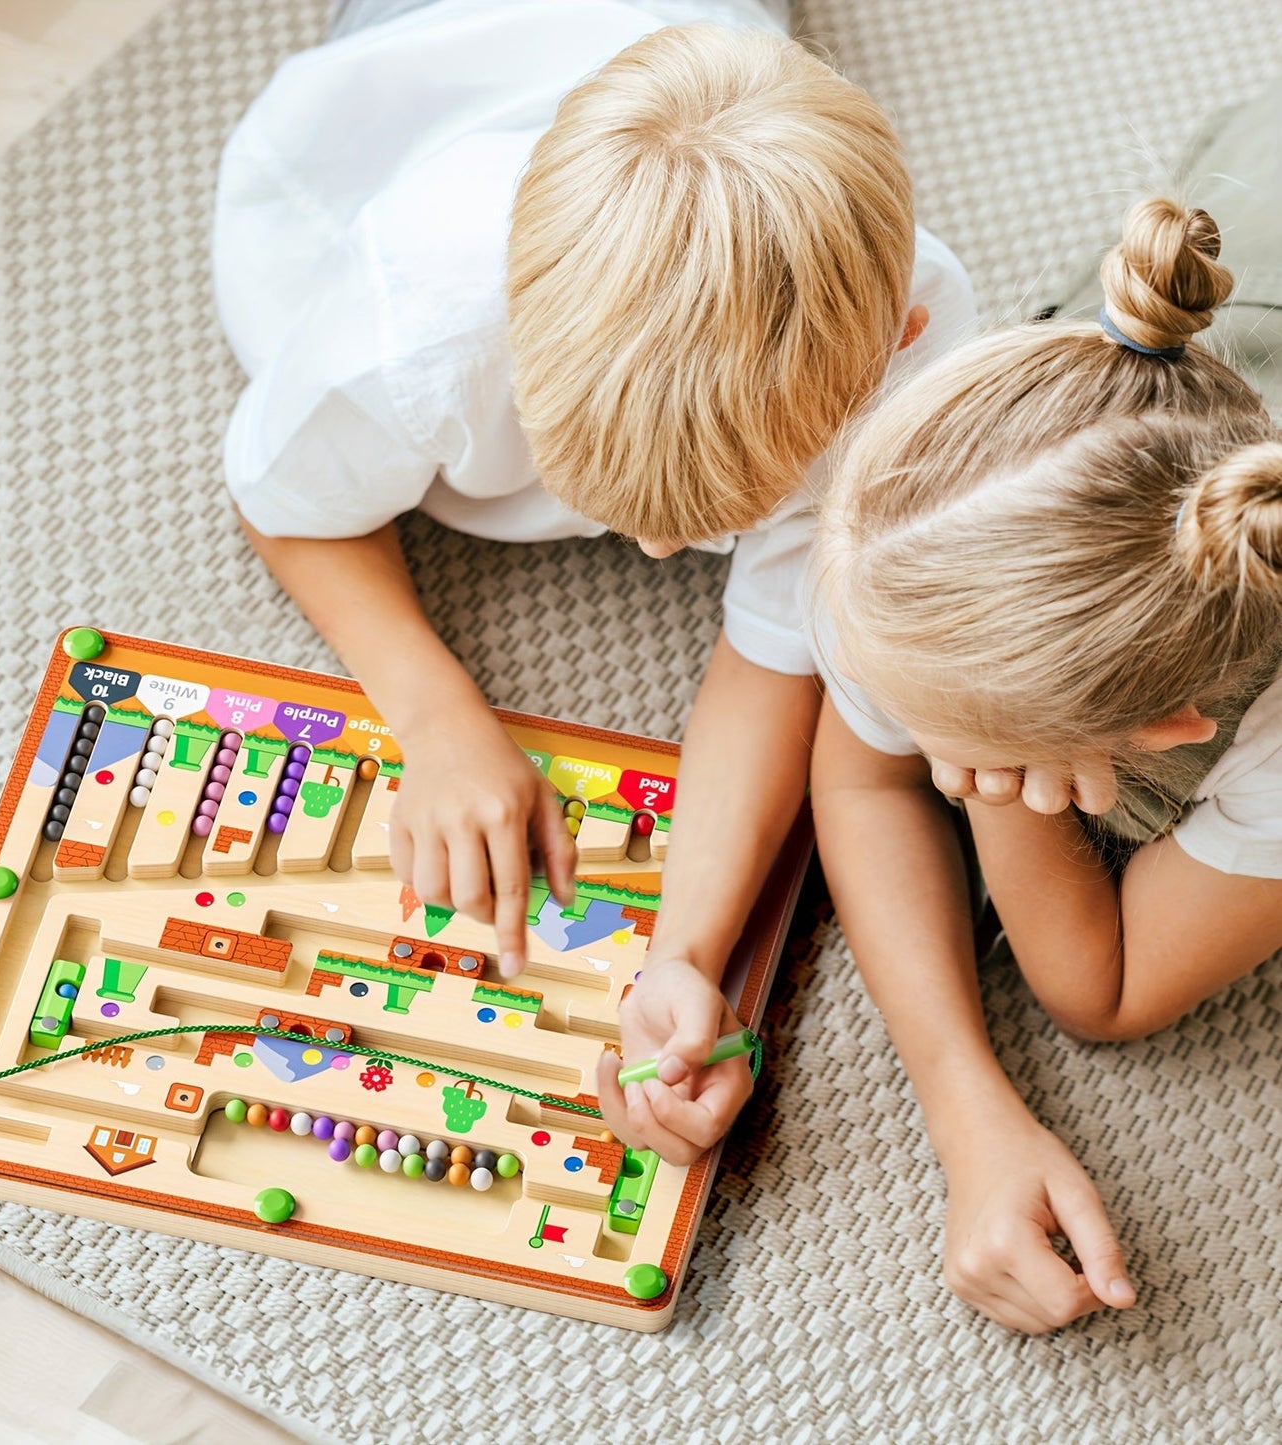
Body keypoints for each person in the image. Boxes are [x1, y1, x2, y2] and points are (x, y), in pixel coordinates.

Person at [213, 1, 975, 1161]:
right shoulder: (412, 327)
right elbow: (280, 502)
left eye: (711, 521)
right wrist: (435, 715)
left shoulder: (911, 343)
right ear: (513, 352)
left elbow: (777, 648)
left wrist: (684, 952)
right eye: (625, 513)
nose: (660, 556)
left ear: (896, 337)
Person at [810, 195, 1282, 1333]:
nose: (904, 740)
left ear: (1165, 726)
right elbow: (859, 779)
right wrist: (962, 1103)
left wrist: (995, 796)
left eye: (944, 744)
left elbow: (1100, 989)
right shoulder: (946, 497)